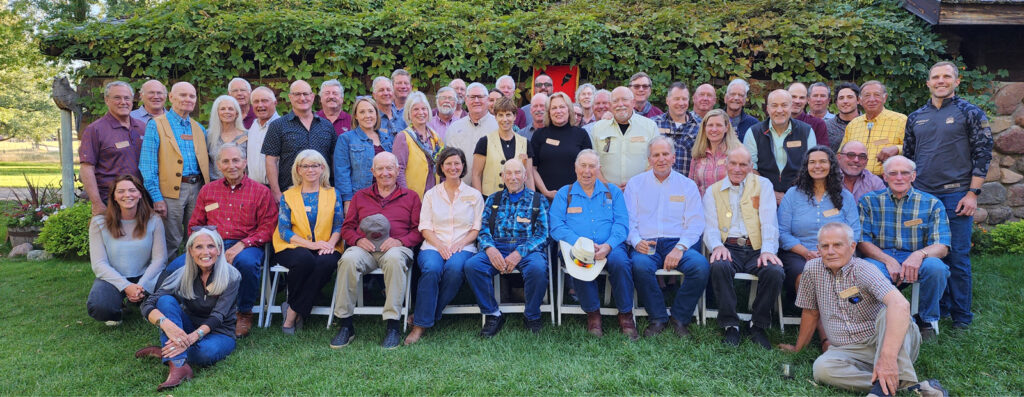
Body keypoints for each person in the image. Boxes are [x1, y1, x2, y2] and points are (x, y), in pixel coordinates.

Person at [779, 223, 948, 397]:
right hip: (849, 350)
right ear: (818, 249)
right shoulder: (811, 270)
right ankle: (907, 388)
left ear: (852, 247)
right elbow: (811, 312)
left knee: (888, 312)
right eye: (825, 246)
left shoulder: (864, 269)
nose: (830, 251)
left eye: (837, 245)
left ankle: (882, 387)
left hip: (889, 342)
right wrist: (798, 349)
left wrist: (887, 359)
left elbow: (901, 305)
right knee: (822, 369)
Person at [904, 61, 994, 331]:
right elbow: (909, 158)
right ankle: (935, 311)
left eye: (946, 76)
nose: (940, 81)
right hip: (922, 197)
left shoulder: (971, 113)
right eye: (935, 77)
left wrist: (973, 193)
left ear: (956, 81)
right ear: (928, 83)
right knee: (929, 257)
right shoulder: (915, 116)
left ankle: (961, 317)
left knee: (957, 257)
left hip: (956, 196)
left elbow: (983, 154)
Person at [163, 144, 278, 338]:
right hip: (211, 244)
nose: (231, 165)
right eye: (225, 161)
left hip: (246, 244)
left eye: (236, 160)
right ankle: (183, 310)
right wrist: (208, 248)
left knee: (247, 263)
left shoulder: (260, 192)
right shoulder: (208, 191)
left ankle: (243, 312)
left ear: (244, 162)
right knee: (175, 267)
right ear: (218, 165)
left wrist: (242, 245)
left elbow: (268, 228)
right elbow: (195, 226)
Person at [332, 152, 423, 349]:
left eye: (390, 168)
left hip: (396, 249)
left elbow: (419, 231)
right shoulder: (360, 196)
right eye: (380, 169)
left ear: (398, 171)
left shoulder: (411, 197)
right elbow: (347, 228)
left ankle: (393, 326)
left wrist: (400, 241)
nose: (385, 173)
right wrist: (357, 239)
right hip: (365, 248)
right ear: (372, 172)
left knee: (394, 260)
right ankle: (346, 325)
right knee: (348, 260)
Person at [858, 156, 951, 340]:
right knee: (866, 270)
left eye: (905, 173)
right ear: (885, 177)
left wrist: (919, 254)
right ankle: (880, 320)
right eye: (893, 173)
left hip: (917, 257)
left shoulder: (932, 203)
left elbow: (942, 246)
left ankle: (926, 320)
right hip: (880, 257)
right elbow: (862, 241)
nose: (899, 177)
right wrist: (888, 260)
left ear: (913, 176)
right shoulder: (869, 201)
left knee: (937, 268)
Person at [136, 228, 240, 391]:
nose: (205, 252)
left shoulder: (232, 276)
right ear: (190, 251)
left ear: (219, 250)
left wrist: (193, 337)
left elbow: (218, 316)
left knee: (204, 353)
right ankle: (179, 365)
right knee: (165, 301)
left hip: (220, 332)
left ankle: (166, 352)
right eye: (199, 247)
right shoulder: (182, 274)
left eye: (211, 246)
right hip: (188, 327)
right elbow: (148, 303)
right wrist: (165, 324)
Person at [549, 150, 638, 339]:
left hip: (611, 245)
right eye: (583, 166)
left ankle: (626, 315)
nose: (587, 171)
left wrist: (609, 245)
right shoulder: (565, 194)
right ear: (575, 168)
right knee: (581, 259)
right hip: (576, 246)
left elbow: (622, 224)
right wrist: (581, 244)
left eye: (592, 166)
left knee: (621, 263)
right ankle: (593, 315)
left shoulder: (612, 192)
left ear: (599, 169)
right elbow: (556, 226)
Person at [625, 136, 708, 338]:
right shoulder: (635, 184)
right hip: (647, 241)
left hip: (677, 242)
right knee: (640, 266)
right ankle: (658, 317)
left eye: (665, 154)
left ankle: (679, 317)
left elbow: (696, 223)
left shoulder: (687, 186)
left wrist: (680, 248)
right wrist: (636, 242)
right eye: (656, 155)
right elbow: (627, 221)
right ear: (649, 159)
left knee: (700, 267)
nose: (661, 159)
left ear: (673, 157)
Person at [702, 146, 781, 348]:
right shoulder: (713, 191)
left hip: (757, 247)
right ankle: (730, 325)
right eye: (734, 163)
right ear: (726, 164)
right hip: (729, 247)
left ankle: (758, 324)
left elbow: (769, 221)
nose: (738, 168)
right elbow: (710, 227)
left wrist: (767, 251)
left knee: (774, 271)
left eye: (743, 164)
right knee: (719, 266)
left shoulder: (763, 185)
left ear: (750, 166)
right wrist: (717, 246)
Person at [404, 147, 485, 345]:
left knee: (455, 269)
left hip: (463, 246)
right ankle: (420, 326)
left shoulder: (474, 195)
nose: (453, 167)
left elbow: (476, 228)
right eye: (448, 163)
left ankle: (424, 318)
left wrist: (460, 243)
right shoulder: (431, 195)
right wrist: (440, 245)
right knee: (431, 269)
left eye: (457, 163)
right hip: (433, 245)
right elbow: (425, 226)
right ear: (440, 167)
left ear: (463, 166)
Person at [465, 159, 550, 337]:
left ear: (525, 176)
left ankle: (532, 315)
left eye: (518, 173)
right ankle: (493, 314)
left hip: (527, 247)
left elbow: (543, 234)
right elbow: (484, 229)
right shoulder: (492, 200)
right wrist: (489, 248)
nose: (513, 177)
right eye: (508, 173)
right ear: (503, 176)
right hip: (498, 245)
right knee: (473, 266)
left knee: (538, 269)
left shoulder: (538, 200)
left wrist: (520, 252)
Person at [778, 146, 860, 314]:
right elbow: (782, 232)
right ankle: (826, 326)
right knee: (804, 276)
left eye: (823, 161)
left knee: (846, 274)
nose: (817, 166)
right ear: (806, 167)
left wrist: (834, 252)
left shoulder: (845, 196)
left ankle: (834, 321)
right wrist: (806, 253)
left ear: (831, 165)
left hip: (838, 253)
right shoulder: (793, 195)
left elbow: (854, 232)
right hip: (799, 252)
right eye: (812, 162)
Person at [272, 150, 345, 334]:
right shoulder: (288, 195)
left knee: (325, 263)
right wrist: (313, 245)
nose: (310, 170)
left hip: (328, 244)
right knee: (304, 260)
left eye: (315, 165)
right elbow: (284, 230)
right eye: (305, 166)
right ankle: (298, 311)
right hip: (292, 245)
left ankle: (292, 311)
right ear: (298, 169)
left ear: (322, 169)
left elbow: (339, 224)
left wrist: (329, 244)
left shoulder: (333, 193)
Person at [140, 81, 210, 258]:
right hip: (170, 193)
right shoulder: (156, 125)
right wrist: (157, 197)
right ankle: (167, 281)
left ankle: (194, 280)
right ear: (171, 97)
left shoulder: (199, 128)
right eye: (183, 95)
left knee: (197, 238)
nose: (188, 99)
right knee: (170, 241)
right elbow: (147, 166)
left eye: (192, 96)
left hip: (198, 189)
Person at [88, 175, 166, 325]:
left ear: (140, 194)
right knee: (100, 306)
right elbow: (99, 264)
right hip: (113, 277)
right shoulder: (99, 222)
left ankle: (144, 304)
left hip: (145, 276)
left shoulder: (154, 220)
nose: (127, 195)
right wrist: (126, 286)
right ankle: (119, 308)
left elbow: (159, 259)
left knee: (170, 295)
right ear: (114, 197)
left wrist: (140, 285)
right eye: (121, 191)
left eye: (132, 190)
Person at [261, 80, 337, 201]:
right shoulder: (278, 126)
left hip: (323, 193)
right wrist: (276, 193)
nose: (302, 98)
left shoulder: (327, 126)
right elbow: (270, 161)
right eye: (297, 94)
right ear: (290, 97)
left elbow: (334, 160)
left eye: (306, 94)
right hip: (290, 192)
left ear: (312, 97)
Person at [80, 81, 146, 215]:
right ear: (106, 100)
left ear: (132, 101)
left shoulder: (143, 127)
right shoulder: (95, 130)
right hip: (110, 201)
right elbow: (87, 168)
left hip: (141, 200)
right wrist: (97, 203)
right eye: (117, 98)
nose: (123, 102)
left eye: (127, 98)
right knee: (115, 235)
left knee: (141, 236)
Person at [743, 89, 817, 204]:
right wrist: (770, 192)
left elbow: (812, 166)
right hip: (762, 196)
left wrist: (792, 195)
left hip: (800, 196)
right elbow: (749, 168)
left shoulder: (806, 131)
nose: (779, 110)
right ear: (767, 109)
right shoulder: (753, 133)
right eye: (774, 106)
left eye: (784, 105)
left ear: (791, 107)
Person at [590, 86, 659, 189]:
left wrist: (636, 185)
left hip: (641, 190)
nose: (620, 104)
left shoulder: (650, 127)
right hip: (606, 193)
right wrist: (607, 186)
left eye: (624, 100)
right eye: (615, 101)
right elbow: (592, 163)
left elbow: (656, 160)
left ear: (633, 102)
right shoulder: (597, 129)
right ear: (610, 105)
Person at [335, 96, 395, 209]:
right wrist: (348, 201)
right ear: (356, 116)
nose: (367, 116)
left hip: (387, 197)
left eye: (371, 111)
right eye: (362, 112)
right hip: (360, 198)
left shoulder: (387, 139)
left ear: (376, 114)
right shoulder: (346, 139)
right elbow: (342, 173)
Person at [531, 92, 592, 199]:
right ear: (549, 112)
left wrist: (576, 192)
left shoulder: (581, 135)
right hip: (545, 199)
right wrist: (545, 192)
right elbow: (532, 168)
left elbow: (588, 168)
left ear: (569, 110)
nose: (558, 111)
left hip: (575, 197)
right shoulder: (539, 135)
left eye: (562, 107)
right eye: (554, 108)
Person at [840, 80, 906, 176]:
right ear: (860, 100)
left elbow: (914, 148)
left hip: (888, 181)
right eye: (867, 95)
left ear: (885, 98)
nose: (872, 99)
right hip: (856, 180)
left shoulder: (901, 120)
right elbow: (841, 153)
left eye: (877, 95)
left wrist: (897, 149)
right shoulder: (853, 124)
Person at [473, 97, 535, 196]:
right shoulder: (484, 142)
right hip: (490, 199)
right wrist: (479, 201)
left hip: (518, 200)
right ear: (495, 117)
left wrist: (533, 201)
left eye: (508, 115)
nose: (504, 119)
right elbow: (476, 175)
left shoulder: (525, 143)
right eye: (500, 115)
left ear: (514, 116)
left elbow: (529, 176)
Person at [444, 82, 498, 184]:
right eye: (472, 97)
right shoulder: (454, 128)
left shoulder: (498, 126)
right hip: (460, 190)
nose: (476, 101)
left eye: (480, 97)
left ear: (487, 100)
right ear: (466, 100)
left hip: (491, 192)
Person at [394, 91, 444, 198]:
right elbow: (399, 169)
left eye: (424, 108)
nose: (421, 112)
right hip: (413, 196)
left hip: (435, 195)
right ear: (409, 113)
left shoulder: (436, 137)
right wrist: (406, 196)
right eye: (415, 109)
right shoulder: (403, 137)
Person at [689, 109, 743, 195]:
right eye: (710, 125)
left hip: (729, 207)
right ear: (704, 128)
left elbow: (746, 187)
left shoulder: (738, 153)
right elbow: (692, 187)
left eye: (719, 125)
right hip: (703, 207)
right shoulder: (698, 154)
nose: (714, 129)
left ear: (726, 128)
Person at [653, 82, 700, 175]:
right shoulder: (654, 124)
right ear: (667, 101)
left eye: (684, 99)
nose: (681, 103)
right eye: (676, 99)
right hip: (658, 183)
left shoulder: (699, 126)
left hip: (686, 185)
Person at [205, 95, 247, 181]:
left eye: (230, 109)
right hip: (215, 187)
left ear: (237, 113)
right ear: (216, 113)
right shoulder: (207, 136)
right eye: (223, 109)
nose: (227, 112)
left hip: (242, 187)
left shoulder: (247, 136)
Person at [246, 86, 279, 185]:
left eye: (265, 101)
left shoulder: (283, 126)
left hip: (277, 188)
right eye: (256, 101)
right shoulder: (253, 126)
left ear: (275, 103)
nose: (260, 105)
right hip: (254, 188)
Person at [788, 82, 830, 147]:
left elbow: (821, 154)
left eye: (802, 98)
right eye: (793, 97)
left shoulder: (817, 124)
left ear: (807, 100)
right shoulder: (774, 123)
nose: (797, 101)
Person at [825, 82, 861, 152]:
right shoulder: (827, 127)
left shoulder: (868, 124)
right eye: (841, 98)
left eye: (850, 97)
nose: (845, 101)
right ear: (836, 102)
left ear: (858, 100)